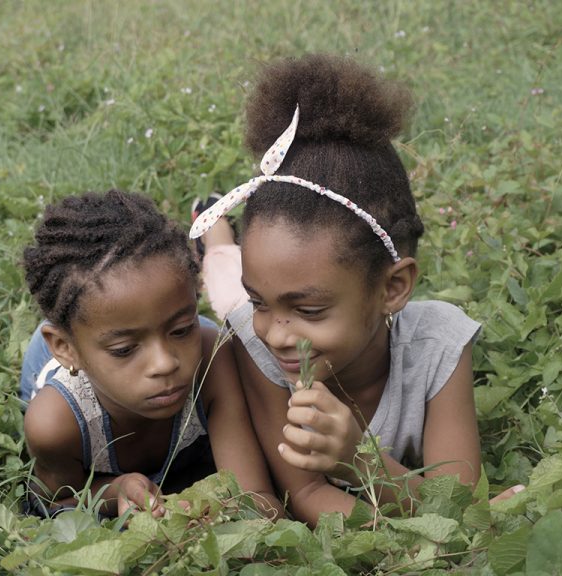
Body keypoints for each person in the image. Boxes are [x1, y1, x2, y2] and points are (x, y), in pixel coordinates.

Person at [191, 54, 521, 527]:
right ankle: (215, 229)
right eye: (262, 302)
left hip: (275, 276)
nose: (278, 335)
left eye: (309, 310)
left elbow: (456, 504)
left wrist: (358, 459)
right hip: (242, 290)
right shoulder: (254, 343)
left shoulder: (439, 347)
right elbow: (306, 493)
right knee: (226, 281)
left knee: (239, 284)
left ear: (394, 287)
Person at [19, 189, 282, 520]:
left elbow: (258, 498)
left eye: (181, 329)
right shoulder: (55, 424)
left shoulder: (211, 360)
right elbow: (58, 502)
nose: (164, 363)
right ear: (65, 348)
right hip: (65, 364)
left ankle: (214, 228)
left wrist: (208, 519)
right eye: (125, 350)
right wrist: (116, 490)